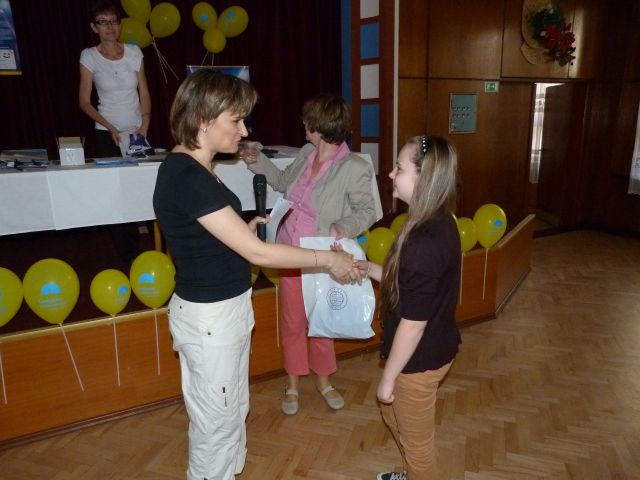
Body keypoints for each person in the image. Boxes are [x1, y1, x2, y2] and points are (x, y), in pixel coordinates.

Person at [152, 70, 361, 480]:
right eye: (236, 120)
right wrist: (327, 260)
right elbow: (258, 253)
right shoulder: (188, 176)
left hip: (222, 311)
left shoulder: (195, 169)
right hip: (211, 318)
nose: (245, 130)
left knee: (232, 412)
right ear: (203, 119)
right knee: (216, 424)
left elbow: (211, 237)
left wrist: (242, 230)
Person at [240, 93, 378, 416]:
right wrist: (256, 160)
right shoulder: (306, 152)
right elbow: (281, 182)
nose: (303, 123)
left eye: (308, 120)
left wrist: (344, 225)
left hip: (323, 258)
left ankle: (324, 381)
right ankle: (292, 385)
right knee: (293, 322)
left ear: (322, 126)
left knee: (322, 320)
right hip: (290, 252)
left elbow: (367, 211)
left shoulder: (354, 166)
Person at [356, 135, 462, 480]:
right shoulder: (437, 220)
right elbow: (411, 283)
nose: (390, 174)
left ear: (422, 178)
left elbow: (414, 323)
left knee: (419, 449)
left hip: (418, 360)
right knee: (392, 415)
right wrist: (368, 269)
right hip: (430, 348)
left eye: (399, 168)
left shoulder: (424, 241)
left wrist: (388, 378)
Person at [79, 0, 151, 264]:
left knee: (145, 188)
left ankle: (160, 246)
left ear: (120, 25)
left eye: (114, 21)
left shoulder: (134, 52)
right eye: (103, 22)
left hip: (137, 132)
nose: (110, 27)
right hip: (107, 134)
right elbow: (84, 102)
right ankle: (129, 255)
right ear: (94, 27)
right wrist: (109, 126)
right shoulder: (89, 56)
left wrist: (145, 124)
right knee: (117, 194)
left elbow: (144, 91)